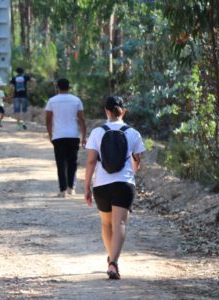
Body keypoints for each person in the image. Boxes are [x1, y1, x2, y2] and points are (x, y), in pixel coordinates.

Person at [84, 96, 145, 280]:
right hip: (124, 183)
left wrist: (87, 186)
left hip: (102, 185)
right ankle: (114, 263)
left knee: (106, 223)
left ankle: (111, 259)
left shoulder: (97, 132)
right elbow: (136, 164)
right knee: (120, 223)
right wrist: (131, 171)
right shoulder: (133, 133)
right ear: (123, 111)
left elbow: (91, 161)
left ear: (106, 111)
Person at [45, 78, 86, 197]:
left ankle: (62, 190)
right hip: (73, 135)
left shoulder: (52, 101)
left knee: (60, 163)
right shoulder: (76, 100)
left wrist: (50, 134)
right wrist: (83, 136)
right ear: (69, 87)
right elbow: (81, 119)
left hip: (58, 136)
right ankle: (71, 188)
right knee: (72, 162)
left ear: (57, 87)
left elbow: (48, 120)